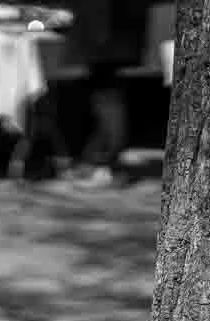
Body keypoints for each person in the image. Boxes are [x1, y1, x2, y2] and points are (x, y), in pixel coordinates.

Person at [67, 0, 150, 187]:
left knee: (109, 103)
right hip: (105, 44)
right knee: (106, 102)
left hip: (108, 44)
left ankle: (100, 163)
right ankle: (98, 162)